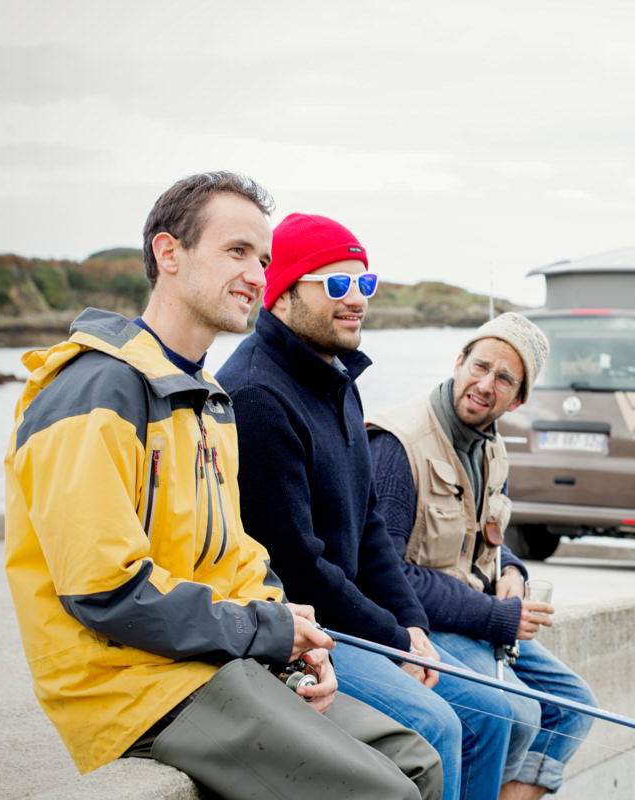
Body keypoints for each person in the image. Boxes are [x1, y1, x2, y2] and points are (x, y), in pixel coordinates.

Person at [3, 173, 442, 800]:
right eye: (237, 252)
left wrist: (293, 637)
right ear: (169, 253)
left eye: (263, 259)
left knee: (415, 760)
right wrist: (265, 632)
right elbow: (103, 588)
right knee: (385, 792)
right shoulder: (93, 392)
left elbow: (236, 553)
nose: (258, 275)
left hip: (214, 659)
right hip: (131, 681)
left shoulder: (207, 400)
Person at [217, 213, 513, 800]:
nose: (356, 300)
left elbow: (372, 529)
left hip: (354, 622)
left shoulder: (338, 379)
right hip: (303, 626)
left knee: (497, 713)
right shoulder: (257, 395)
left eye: (365, 284)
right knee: (435, 723)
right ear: (281, 294)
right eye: (335, 285)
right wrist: (395, 641)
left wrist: (413, 627)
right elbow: (299, 566)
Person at [368, 313, 596, 800]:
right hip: (421, 621)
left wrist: (510, 569)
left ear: (519, 398)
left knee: (573, 704)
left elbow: (481, 534)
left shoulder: (491, 445)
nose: (485, 384)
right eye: (480, 366)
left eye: (504, 379)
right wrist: (496, 616)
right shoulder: (398, 444)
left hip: (475, 611)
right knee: (513, 712)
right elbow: (383, 572)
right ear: (459, 361)